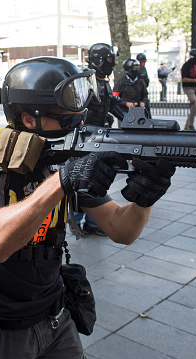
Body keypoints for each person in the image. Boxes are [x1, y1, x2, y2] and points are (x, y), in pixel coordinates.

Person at [0, 56, 176, 359]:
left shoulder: (62, 155)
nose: (78, 125)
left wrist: (145, 198)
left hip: (54, 314)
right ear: (30, 119)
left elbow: (120, 229)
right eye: (67, 119)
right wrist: (61, 182)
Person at [73, 43, 120, 237]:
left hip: (99, 138)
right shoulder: (86, 80)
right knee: (82, 181)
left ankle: (92, 222)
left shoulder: (102, 80)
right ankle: (75, 222)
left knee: (97, 180)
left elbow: (111, 106)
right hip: (86, 139)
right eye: (108, 59)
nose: (111, 63)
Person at [180, 48, 196, 131]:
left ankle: (189, 125)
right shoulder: (187, 65)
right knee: (195, 104)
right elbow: (184, 79)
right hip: (188, 87)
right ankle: (189, 126)